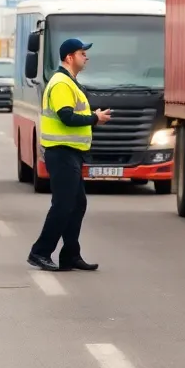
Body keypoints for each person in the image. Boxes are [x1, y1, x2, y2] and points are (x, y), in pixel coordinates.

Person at [27, 38, 111, 272]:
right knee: (63, 206)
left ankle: (70, 255)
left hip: (71, 153)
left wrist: (93, 116)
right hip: (61, 152)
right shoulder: (62, 83)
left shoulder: (70, 82)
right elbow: (66, 116)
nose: (86, 57)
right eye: (82, 53)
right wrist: (95, 118)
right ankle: (40, 252)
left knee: (77, 205)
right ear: (69, 58)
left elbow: (74, 115)